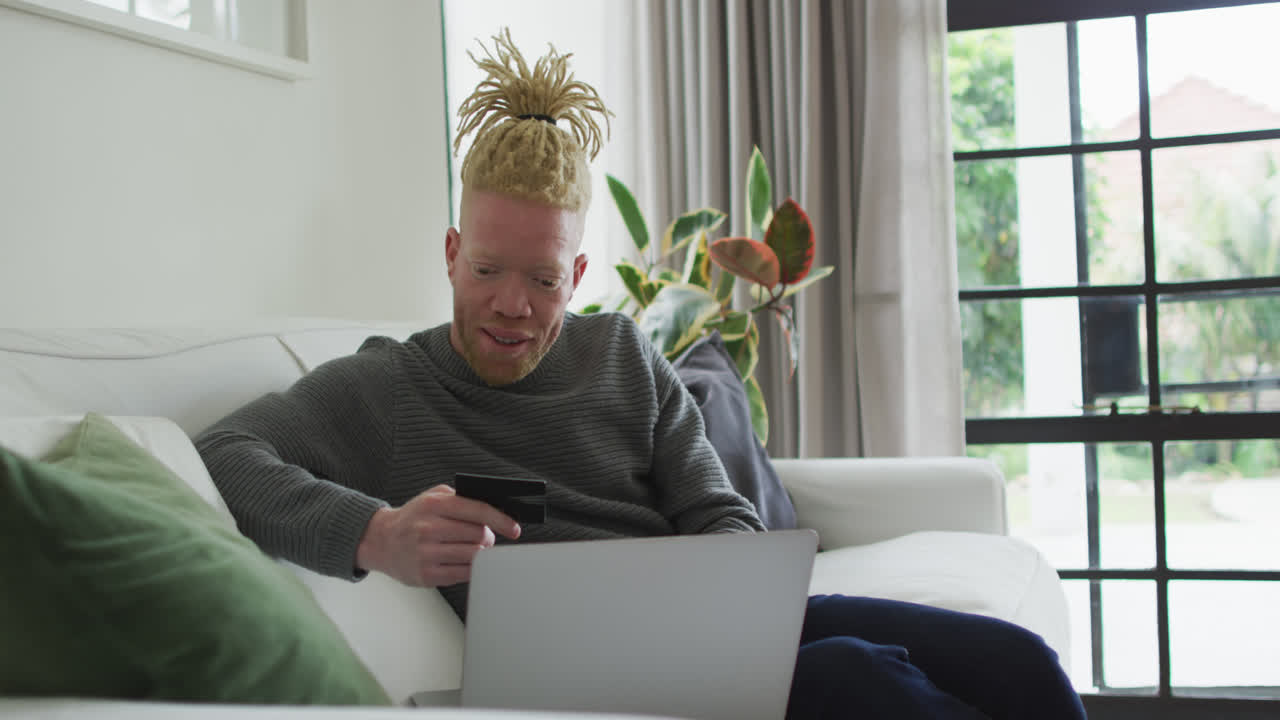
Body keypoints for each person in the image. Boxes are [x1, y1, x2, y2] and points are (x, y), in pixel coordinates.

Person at [196, 28, 1085, 720]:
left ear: (577, 275)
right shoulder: (388, 390)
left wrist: (731, 581)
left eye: (543, 280)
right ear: (452, 253)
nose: (512, 304)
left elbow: (717, 511)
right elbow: (224, 454)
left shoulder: (621, 354)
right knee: (860, 678)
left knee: (1016, 659)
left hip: (706, 633)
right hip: (582, 681)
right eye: (488, 270)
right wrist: (378, 534)